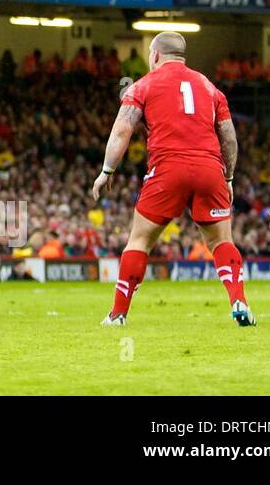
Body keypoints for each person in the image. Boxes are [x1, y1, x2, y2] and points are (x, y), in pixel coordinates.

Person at [92, 32, 253, 327]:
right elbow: (229, 136)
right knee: (221, 241)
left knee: (139, 241)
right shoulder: (209, 86)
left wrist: (107, 171)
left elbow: (122, 130)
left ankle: (118, 314)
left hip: (168, 169)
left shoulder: (143, 85)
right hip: (209, 168)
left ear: (154, 55)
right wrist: (228, 176)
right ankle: (239, 300)